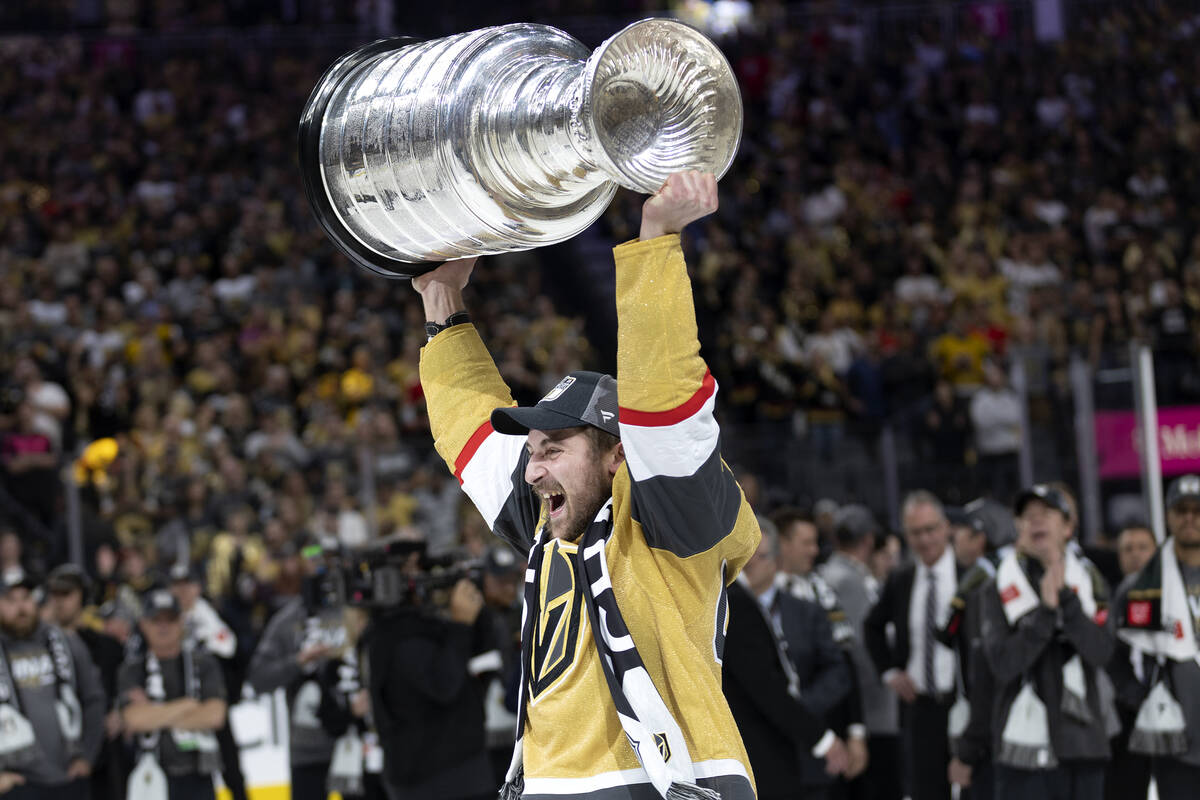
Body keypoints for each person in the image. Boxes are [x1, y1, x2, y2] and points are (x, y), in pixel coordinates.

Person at [413, 171, 759, 799]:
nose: (533, 467)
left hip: (669, 782)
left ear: (617, 458)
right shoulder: (551, 530)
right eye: (533, 452)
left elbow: (664, 403)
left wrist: (657, 239)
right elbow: (469, 434)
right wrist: (442, 302)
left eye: (555, 449)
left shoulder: (672, 519)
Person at [977, 485, 1112, 799]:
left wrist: (1066, 599)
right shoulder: (995, 588)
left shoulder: (1091, 583)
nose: (1036, 521)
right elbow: (1003, 664)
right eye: (1027, 516)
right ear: (1018, 529)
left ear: (1067, 526)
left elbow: (1102, 652)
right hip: (1021, 749)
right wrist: (1046, 613)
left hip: (1084, 745)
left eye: (1046, 514)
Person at [723, 518, 850, 800]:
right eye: (748, 554)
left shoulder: (802, 607)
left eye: (762, 555)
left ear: (777, 561)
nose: (753, 563)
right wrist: (821, 738)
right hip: (760, 751)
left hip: (788, 742)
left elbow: (840, 669)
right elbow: (765, 686)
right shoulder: (735, 603)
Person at [865, 491, 961, 800]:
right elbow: (871, 626)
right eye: (916, 532)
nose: (925, 539)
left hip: (964, 704)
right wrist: (889, 671)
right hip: (920, 709)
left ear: (947, 527)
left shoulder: (970, 574)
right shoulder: (902, 579)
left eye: (931, 529)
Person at [1109, 475, 1200, 800]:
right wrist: (1138, 696)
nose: (1190, 517)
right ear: (1168, 515)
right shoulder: (1141, 586)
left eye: (1197, 510)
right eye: (1181, 510)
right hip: (1175, 739)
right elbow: (1111, 655)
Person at [770, 508, 868, 784]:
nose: (815, 551)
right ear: (783, 544)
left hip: (824, 734)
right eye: (807, 543)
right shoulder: (751, 594)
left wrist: (856, 731)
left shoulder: (822, 592)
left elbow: (846, 662)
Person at [247, 542, 347, 800]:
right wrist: (298, 662)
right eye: (312, 559)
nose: (321, 567)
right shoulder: (286, 621)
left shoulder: (355, 615)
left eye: (329, 560)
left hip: (355, 744)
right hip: (308, 749)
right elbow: (258, 679)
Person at [0, 570, 105, 800]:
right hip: (16, 782)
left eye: (26, 598)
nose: (21, 608)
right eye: (10, 600)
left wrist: (87, 755)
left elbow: (94, 700)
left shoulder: (66, 642)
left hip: (69, 776)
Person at [819, 505, 900, 800]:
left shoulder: (828, 574)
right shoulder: (849, 581)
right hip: (871, 710)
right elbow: (861, 650)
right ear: (868, 540)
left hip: (851, 710)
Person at [118, 590, 227, 800]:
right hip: (150, 777)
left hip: (198, 777)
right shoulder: (131, 670)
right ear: (143, 624)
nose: (163, 626)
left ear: (181, 623)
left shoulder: (204, 664)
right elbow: (133, 719)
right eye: (156, 620)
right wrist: (188, 705)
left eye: (170, 619)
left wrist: (154, 714)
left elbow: (215, 716)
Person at [44, 564, 128, 800]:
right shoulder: (38, 646)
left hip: (101, 748)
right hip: (57, 750)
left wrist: (123, 710)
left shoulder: (107, 646)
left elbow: (127, 684)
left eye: (67, 594)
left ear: (82, 596)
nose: (60, 602)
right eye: (55, 594)